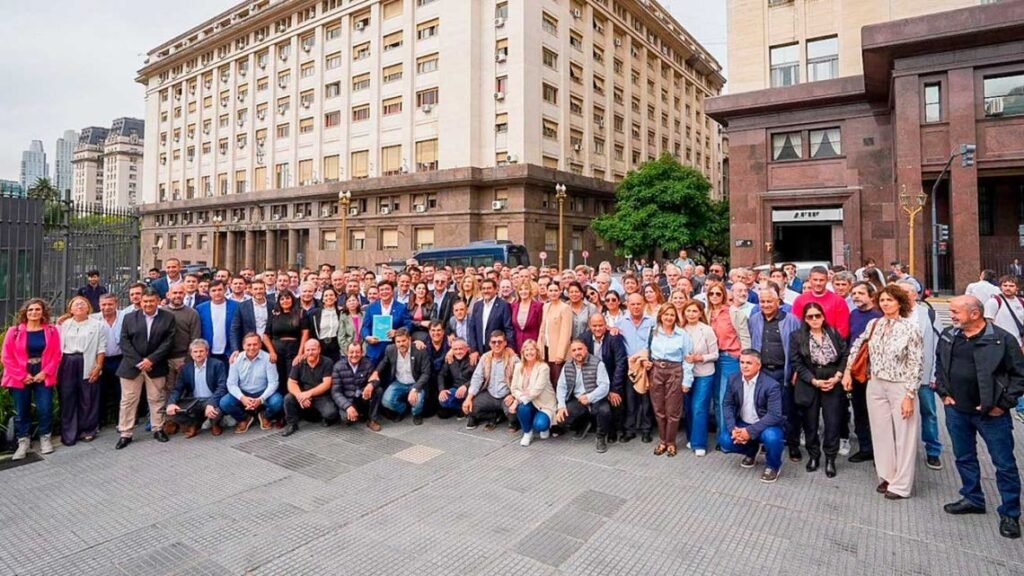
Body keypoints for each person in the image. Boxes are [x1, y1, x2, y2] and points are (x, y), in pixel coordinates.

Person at [937, 296, 1024, 539]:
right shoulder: (949, 335)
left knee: (1004, 465)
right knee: (964, 457)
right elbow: (940, 365)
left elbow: (1019, 376)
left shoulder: (1002, 340)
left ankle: (1010, 513)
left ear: (975, 314)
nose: (951, 315)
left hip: (992, 415)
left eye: (956, 311)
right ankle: (972, 498)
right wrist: (943, 393)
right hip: (957, 411)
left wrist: (1002, 404)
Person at [843, 285, 924, 500]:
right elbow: (857, 346)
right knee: (881, 433)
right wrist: (848, 371)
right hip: (875, 383)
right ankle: (886, 476)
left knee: (905, 435)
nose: (886, 304)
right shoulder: (874, 324)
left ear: (900, 302)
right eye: (883, 300)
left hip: (900, 385)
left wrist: (909, 395)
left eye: (890, 300)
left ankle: (902, 485)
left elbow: (916, 363)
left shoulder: (910, 328)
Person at [789, 303, 849, 478]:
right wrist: (813, 381)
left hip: (832, 379)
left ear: (823, 316)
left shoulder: (834, 333)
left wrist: (838, 376)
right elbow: (796, 362)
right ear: (805, 319)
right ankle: (814, 455)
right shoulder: (797, 336)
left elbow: (845, 355)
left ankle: (830, 458)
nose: (814, 319)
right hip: (810, 379)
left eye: (817, 315)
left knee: (832, 422)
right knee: (810, 423)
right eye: (810, 316)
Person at [115, 288, 177, 449]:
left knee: (157, 398)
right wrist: (138, 361)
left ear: (158, 301)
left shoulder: (168, 317)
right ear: (140, 302)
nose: (148, 304)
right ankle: (125, 433)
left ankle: (158, 429)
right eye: (145, 301)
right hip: (131, 366)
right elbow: (124, 341)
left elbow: (168, 342)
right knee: (128, 401)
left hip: (156, 365)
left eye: (151, 301)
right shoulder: (129, 318)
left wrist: (151, 359)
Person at [2, 299, 62, 460]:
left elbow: (56, 354)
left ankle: (45, 438)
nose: (34, 312)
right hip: (20, 374)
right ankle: (23, 442)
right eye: (30, 310)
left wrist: (45, 372)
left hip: (43, 373)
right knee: (22, 410)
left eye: (37, 309)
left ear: (43, 312)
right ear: (25, 312)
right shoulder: (14, 331)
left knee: (45, 408)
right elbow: (6, 357)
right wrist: (22, 375)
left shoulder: (51, 331)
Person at [898, 280, 945, 470]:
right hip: (899, 376)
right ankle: (902, 450)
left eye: (906, 292)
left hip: (923, 375)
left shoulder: (929, 314)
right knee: (900, 413)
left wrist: (935, 374)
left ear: (915, 295)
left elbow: (938, 345)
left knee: (929, 413)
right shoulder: (893, 313)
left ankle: (933, 450)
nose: (902, 295)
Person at [719, 350, 786, 483]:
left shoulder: (771, 385)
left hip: (765, 426)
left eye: (749, 363)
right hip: (743, 423)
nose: (744, 366)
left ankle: (773, 466)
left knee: (772, 437)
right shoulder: (733, 379)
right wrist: (733, 429)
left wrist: (749, 432)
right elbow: (727, 404)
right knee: (725, 440)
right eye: (742, 362)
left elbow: (775, 414)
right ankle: (751, 450)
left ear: (758, 365)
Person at [644, 303, 695, 457]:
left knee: (673, 410)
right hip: (656, 371)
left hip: (675, 371)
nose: (669, 317)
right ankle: (662, 441)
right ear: (661, 316)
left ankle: (671, 441)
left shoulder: (682, 334)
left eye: (672, 314)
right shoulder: (653, 332)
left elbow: (688, 359)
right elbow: (647, 351)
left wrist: (687, 381)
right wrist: (646, 362)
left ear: (676, 317)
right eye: (666, 314)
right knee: (659, 409)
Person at [56, 296, 107, 446]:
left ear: (88, 308)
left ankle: (88, 429)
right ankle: (69, 433)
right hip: (67, 362)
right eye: (76, 304)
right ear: (70, 309)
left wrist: (98, 366)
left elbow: (101, 348)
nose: (79, 306)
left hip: (88, 360)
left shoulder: (97, 325)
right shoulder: (64, 324)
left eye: (82, 304)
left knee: (88, 397)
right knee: (68, 396)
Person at [555, 340, 613, 453]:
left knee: (604, 411)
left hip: (596, 398)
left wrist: (590, 397)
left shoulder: (598, 363)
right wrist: (561, 406)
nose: (577, 352)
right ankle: (583, 424)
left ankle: (601, 437)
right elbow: (561, 386)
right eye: (574, 350)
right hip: (578, 400)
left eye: (580, 349)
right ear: (571, 353)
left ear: (586, 349)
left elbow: (605, 386)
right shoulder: (567, 365)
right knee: (563, 418)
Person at [221, 333, 284, 432]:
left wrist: (261, 399)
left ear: (260, 345)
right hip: (244, 392)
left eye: (255, 344)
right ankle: (244, 418)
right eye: (249, 345)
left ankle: (265, 416)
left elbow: (273, 383)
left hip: (262, 391)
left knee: (277, 401)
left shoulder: (268, 358)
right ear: (243, 346)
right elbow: (231, 384)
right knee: (225, 403)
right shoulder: (236, 359)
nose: (252, 348)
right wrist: (242, 398)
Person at [165, 339, 228, 438]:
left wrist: (211, 403)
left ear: (207, 352)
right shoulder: (185, 368)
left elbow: (222, 387)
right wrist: (171, 403)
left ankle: (215, 424)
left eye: (201, 351)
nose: (198, 354)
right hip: (194, 401)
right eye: (195, 351)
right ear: (191, 354)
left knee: (217, 410)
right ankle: (193, 425)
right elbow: (178, 389)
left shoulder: (217, 364)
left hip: (211, 399)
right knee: (172, 411)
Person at [162, 284, 202, 435]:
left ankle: (185, 421)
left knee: (185, 390)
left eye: (180, 293)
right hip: (165, 358)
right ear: (168, 294)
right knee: (168, 390)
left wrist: (187, 360)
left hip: (183, 357)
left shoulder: (192, 313)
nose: (177, 295)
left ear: (185, 294)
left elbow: (195, 338)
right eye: (175, 293)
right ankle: (170, 419)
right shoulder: (162, 312)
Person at [706, 281, 742, 443]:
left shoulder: (731, 312)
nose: (714, 296)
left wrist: (742, 357)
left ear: (724, 295)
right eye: (711, 293)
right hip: (710, 359)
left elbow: (744, 335)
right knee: (715, 398)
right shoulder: (706, 312)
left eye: (718, 293)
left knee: (724, 399)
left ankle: (725, 437)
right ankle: (721, 433)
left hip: (729, 357)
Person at [618, 293, 656, 443]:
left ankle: (646, 430)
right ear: (627, 305)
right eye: (632, 304)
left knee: (646, 401)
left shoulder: (652, 322)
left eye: (638, 304)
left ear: (644, 304)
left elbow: (656, 342)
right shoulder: (621, 323)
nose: (636, 307)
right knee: (630, 400)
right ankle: (629, 430)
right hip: (630, 367)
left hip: (646, 365)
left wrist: (648, 359)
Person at [372, 328, 432, 424]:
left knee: (417, 400)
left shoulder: (420, 351)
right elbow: (384, 362)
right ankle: (403, 409)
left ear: (409, 339)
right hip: (399, 382)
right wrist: (376, 372)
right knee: (386, 401)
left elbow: (426, 373)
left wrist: (415, 389)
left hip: (416, 383)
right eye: (398, 342)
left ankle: (416, 414)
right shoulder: (390, 349)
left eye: (404, 341)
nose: (401, 344)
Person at [463, 330, 519, 430]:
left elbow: (521, 380)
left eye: (500, 342)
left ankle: (507, 417)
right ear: (489, 343)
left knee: (514, 415)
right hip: (490, 395)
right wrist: (468, 398)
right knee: (470, 408)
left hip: (506, 396)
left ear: (505, 343)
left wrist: (513, 396)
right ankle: (493, 415)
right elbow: (477, 378)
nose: (496, 344)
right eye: (493, 342)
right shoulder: (485, 357)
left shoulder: (513, 359)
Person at [281, 339, 339, 436]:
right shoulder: (299, 362)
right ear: (304, 350)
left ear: (319, 350)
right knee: (288, 398)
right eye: (307, 350)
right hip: (303, 394)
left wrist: (309, 394)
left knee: (331, 413)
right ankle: (292, 424)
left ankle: (322, 417)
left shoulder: (327, 362)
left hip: (321, 396)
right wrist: (300, 396)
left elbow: (326, 384)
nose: (310, 352)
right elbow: (291, 382)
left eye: (313, 349)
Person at [510, 339, 555, 446]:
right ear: (523, 352)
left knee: (540, 425)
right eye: (526, 350)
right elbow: (514, 388)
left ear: (537, 352)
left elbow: (536, 390)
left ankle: (544, 426)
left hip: (543, 403)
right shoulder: (518, 366)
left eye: (532, 349)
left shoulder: (543, 367)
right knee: (522, 408)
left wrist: (517, 401)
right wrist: (520, 397)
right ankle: (527, 433)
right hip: (527, 401)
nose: (529, 352)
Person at [263, 290, 310, 393]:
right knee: (279, 378)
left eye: (288, 298)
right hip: (277, 351)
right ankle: (279, 401)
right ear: (279, 301)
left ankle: (291, 400)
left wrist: (300, 354)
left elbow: (305, 333)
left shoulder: (301, 313)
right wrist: (272, 352)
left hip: (294, 351)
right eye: (282, 299)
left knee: (292, 378)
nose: (285, 301)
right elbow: (265, 336)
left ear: (292, 299)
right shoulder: (274, 314)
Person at [331, 342, 383, 431]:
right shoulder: (338, 367)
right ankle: (358, 413)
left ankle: (372, 420)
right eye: (351, 352)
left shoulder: (368, 363)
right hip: (348, 399)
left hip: (362, 397)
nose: (354, 355)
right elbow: (336, 392)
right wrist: (347, 406)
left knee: (378, 390)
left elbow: (376, 379)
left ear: (362, 353)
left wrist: (371, 385)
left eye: (357, 352)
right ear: (347, 353)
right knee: (346, 419)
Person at [361, 280, 412, 367]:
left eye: (387, 289)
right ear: (379, 292)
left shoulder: (401, 307)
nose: (384, 292)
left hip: (394, 349)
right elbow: (365, 327)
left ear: (392, 291)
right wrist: (367, 337)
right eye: (382, 290)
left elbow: (408, 325)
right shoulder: (371, 307)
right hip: (375, 349)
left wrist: (397, 332)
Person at [792, 266, 851, 339]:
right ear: (809, 279)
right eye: (815, 280)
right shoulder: (800, 300)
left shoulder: (839, 301)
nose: (818, 283)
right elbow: (796, 325)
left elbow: (843, 329)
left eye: (821, 280)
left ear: (827, 280)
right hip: (806, 342)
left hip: (833, 342)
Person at [92, 293, 124, 427]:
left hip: (120, 359)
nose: (107, 307)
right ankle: (99, 421)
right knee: (100, 391)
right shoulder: (93, 319)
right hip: (101, 360)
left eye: (110, 304)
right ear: (99, 305)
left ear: (116, 304)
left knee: (120, 391)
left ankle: (120, 420)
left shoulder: (125, 317)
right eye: (103, 304)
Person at [467, 279, 515, 360]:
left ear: (496, 289)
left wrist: (510, 346)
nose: (486, 291)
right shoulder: (477, 305)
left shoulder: (504, 305)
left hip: (498, 349)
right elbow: (472, 328)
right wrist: (474, 349)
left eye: (489, 288)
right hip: (479, 351)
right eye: (484, 288)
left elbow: (508, 328)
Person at [195, 281, 238, 365]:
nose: (217, 293)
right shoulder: (200, 308)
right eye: (213, 290)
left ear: (225, 290)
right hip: (208, 352)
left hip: (229, 352)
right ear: (209, 292)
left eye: (219, 290)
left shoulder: (236, 306)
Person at [538, 282, 572, 384]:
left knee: (557, 380)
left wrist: (560, 354)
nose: (553, 293)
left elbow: (566, 333)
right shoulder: (546, 306)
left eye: (556, 290)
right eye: (551, 290)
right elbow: (542, 329)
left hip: (558, 351)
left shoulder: (565, 308)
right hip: (546, 348)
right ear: (547, 292)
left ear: (560, 291)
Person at [231, 279, 275, 357]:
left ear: (265, 289)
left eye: (261, 289)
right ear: (251, 290)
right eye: (255, 289)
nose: (258, 291)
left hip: (270, 345)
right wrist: (235, 349)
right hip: (250, 346)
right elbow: (235, 329)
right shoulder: (242, 306)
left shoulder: (273, 305)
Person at [307, 287, 347, 363]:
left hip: (336, 346)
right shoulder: (314, 313)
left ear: (335, 298)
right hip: (320, 345)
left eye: (331, 295)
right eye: (326, 295)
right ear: (322, 299)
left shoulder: (341, 313)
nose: (329, 297)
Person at [438, 338, 475, 418]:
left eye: (460, 349)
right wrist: (442, 390)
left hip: (472, 391)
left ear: (467, 349)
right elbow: (441, 375)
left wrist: (466, 386)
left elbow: (479, 378)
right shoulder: (450, 359)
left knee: (476, 405)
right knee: (443, 400)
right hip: (456, 390)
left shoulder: (473, 359)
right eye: (455, 349)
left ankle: (469, 408)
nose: (458, 352)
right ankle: (461, 408)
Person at [511, 281, 543, 353]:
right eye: (521, 289)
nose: (523, 291)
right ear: (518, 292)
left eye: (526, 289)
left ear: (530, 291)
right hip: (517, 345)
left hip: (533, 345)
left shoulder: (538, 306)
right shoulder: (513, 306)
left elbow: (541, 326)